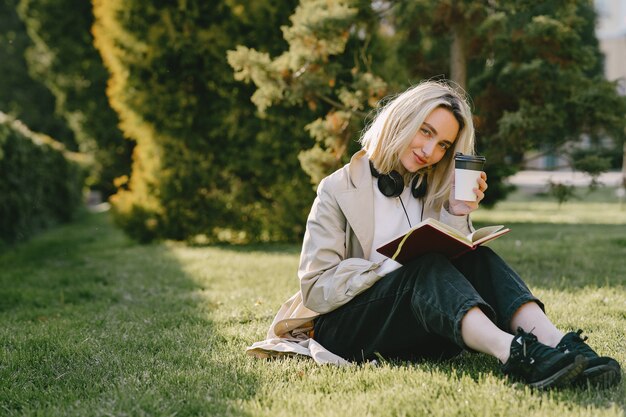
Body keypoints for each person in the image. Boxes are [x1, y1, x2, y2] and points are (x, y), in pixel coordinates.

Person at [246, 80, 621, 389]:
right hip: (346, 327)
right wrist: (388, 268)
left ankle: (561, 346)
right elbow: (315, 287)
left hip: (417, 324)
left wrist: (458, 215)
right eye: (425, 132)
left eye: (443, 144)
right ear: (401, 121)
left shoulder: (431, 186)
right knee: (423, 267)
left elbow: (453, 270)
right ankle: (516, 353)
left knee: (477, 257)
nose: (430, 151)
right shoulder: (336, 189)